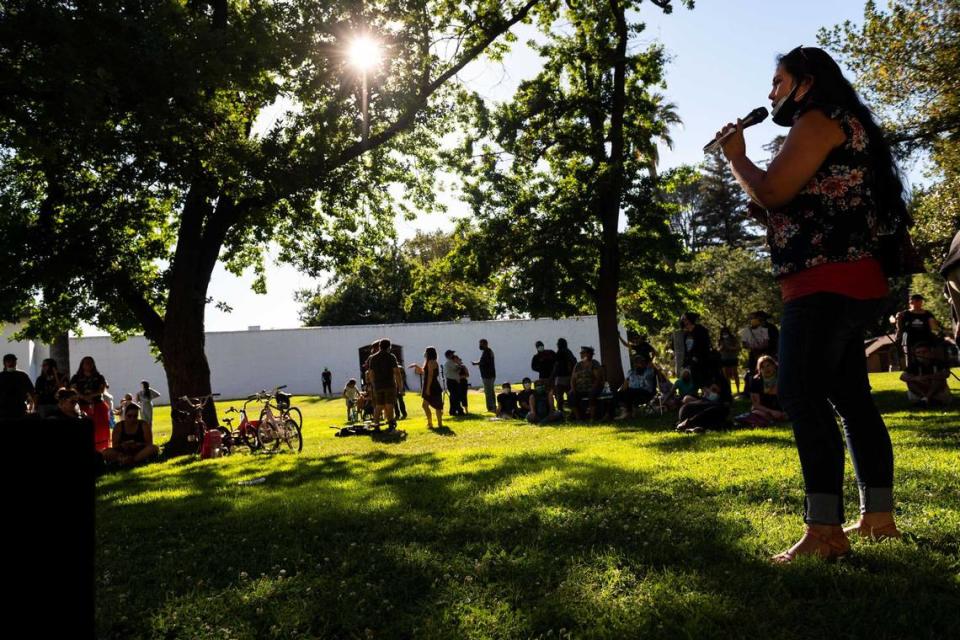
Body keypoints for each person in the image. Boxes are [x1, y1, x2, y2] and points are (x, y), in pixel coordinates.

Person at [717, 45, 906, 561]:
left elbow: (773, 192)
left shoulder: (820, 118)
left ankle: (825, 532)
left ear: (806, 82)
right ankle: (878, 517)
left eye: (777, 82)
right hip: (851, 280)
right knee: (851, 398)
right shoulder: (842, 122)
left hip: (826, 282)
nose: (770, 93)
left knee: (799, 392)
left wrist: (737, 157)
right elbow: (786, 204)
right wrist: (750, 176)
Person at [70, 356, 111, 451]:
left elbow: (102, 389)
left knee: (100, 428)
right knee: (84, 428)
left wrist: (91, 396)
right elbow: (73, 390)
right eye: (86, 362)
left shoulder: (99, 377)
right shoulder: (76, 377)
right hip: (82, 406)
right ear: (82, 365)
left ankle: (102, 449)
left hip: (98, 405)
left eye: (90, 362)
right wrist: (84, 397)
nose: (88, 364)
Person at [102, 403, 160, 468]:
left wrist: (138, 445)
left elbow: (149, 444)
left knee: (154, 448)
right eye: (129, 416)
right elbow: (115, 446)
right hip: (122, 452)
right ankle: (125, 459)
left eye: (135, 416)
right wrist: (123, 446)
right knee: (105, 452)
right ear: (125, 415)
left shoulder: (143, 424)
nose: (132, 419)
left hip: (140, 452)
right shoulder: (119, 426)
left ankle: (131, 460)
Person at [735, 356, 788, 427]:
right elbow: (756, 404)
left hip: (782, 409)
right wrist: (772, 411)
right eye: (762, 367)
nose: (766, 369)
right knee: (757, 412)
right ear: (760, 370)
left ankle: (767, 420)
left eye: (768, 365)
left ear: (774, 366)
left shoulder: (782, 378)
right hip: (764, 410)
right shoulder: (756, 381)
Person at [894, 294, 941, 368]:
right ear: (911, 302)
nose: (920, 302)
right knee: (910, 360)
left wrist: (937, 327)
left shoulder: (927, 313)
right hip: (910, 340)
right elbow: (899, 328)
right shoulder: (904, 314)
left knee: (928, 358)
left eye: (921, 301)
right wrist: (898, 321)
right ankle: (911, 374)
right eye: (918, 301)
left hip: (925, 339)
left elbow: (934, 326)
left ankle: (930, 372)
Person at [900, 342, 952, 407]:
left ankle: (926, 399)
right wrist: (916, 378)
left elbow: (946, 374)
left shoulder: (938, 362)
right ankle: (925, 399)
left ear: (930, 352)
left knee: (938, 379)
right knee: (910, 381)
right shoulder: (914, 365)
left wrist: (927, 377)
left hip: (938, 392)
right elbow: (902, 376)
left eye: (924, 352)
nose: (921, 355)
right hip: (921, 391)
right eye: (918, 353)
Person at [367, 338, 401, 431]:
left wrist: (373, 385)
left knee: (378, 406)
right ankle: (390, 425)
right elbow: (396, 372)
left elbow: (371, 373)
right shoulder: (391, 356)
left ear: (379, 346)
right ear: (389, 347)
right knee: (389, 404)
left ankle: (376, 425)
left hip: (378, 385)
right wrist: (400, 386)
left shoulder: (373, 358)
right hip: (389, 384)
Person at [739, 312, 771, 394]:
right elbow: (744, 344)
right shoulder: (746, 331)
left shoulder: (765, 330)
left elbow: (767, 342)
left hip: (764, 355)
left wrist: (759, 347)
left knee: (764, 371)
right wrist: (752, 347)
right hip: (752, 355)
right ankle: (752, 390)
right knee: (752, 372)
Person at [569, 346, 604, 420]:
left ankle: (592, 418)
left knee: (592, 395)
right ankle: (578, 418)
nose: (581, 354)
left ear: (588, 354)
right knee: (571, 395)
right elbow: (573, 379)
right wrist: (573, 388)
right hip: (580, 389)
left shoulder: (594, 363)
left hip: (592, 388)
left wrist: (593, 388)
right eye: (580, 353)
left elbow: (598, 379)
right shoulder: (578, 365)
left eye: (582, 353)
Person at [413, 347, 444, 429]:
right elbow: (425, 372)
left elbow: (430, 376)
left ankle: (437, 424)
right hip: (432, 385)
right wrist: (416, 366)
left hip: (431, 385)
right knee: (427, 405)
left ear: (429, 353)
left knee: (435, 406)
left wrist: (427, 389)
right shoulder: (432, 362)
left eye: (426, 352)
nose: (425, 353)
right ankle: (432, 423)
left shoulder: (430, 362)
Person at [679, 312, 712, 390]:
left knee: (703, 380)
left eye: (685, 319)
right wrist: (685, 362)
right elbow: (686, 349)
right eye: (682, 319)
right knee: (694, 380)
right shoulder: (686, 333)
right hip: (691, 360)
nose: (683, 321)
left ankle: (708, 396)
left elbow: (705, 345)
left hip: (702, 360)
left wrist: (697, 357)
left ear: (690, 319)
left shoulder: (700, 329)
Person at [0, 353, 36, 420]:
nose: (11, 363)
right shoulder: (1, 376)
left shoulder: (22, 375)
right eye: (9, 361)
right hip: (4, 409)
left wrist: (32, 404)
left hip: (19, 408)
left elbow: (31, 391)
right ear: (5, 363)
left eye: (13, 361)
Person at [551, 338, 577, 413]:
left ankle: (560, 411)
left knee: (559, 396)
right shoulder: (569, 352)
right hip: (569, 377)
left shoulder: (559, 353)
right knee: (569, 395)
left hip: (561, 377)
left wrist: (552, 377)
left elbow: (556, 365)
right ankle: (572, 411)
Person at [472, 339, 497, 412]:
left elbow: (483, 362)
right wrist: (477, 363)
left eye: (481, 344)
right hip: (490, 374)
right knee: (491, 391)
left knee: (488, 392)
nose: (479, 346)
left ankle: (490, 408)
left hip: (487, 375)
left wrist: (476, 363)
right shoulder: (488, 351)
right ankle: (493, 406)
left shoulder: (487, 352)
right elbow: (482, 362)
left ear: (485, 344)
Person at [718, 327, 741, 394]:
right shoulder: (720, 340)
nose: (725, 334)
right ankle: (729, 391)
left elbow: (738, 347)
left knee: (735, 374)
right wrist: (721, 348)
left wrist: (730, 348)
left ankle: (738, 391)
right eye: (723, 332)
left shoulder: (733, 338)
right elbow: (718, 349)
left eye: (726, 332)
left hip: (733, 358)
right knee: (726, 376)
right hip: (724, 359)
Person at [443, 349, 462, 416]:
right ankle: (459, 410)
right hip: (452, 381)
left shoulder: (450, 362)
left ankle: (453, 411)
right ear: (449, 355)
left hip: (452, 381)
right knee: (455, 396)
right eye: (452, 354)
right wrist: (459, 365)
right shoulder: (450, 362)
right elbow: (456, 369)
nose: (453, 355)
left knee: (453, 397)